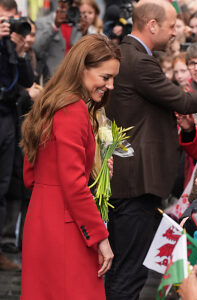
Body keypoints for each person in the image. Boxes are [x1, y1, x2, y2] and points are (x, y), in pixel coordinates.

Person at [104, 1, 197, 299]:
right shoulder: (138, 60)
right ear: (152, 25)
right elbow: (183, 102)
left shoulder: (128, 54)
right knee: (130, 272)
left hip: (130, 179)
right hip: (137, 183)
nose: (175, 33)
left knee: (125, 268)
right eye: (171, 27)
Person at [20, 34, 120, 300]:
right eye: (105, 77)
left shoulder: (49, 103)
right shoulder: (73, 110)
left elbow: (30, 175)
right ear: (82, 69)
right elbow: (73, 183)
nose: (110, 85)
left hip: (40, 219)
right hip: (65, 227)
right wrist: (101, 237)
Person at [0, 0, 34, 270]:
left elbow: (26, 80)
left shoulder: (11, 47)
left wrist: (19, 51)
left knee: (4, 185)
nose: (8, 26)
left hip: (8, 120)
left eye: (11, 20)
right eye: (3, 20)